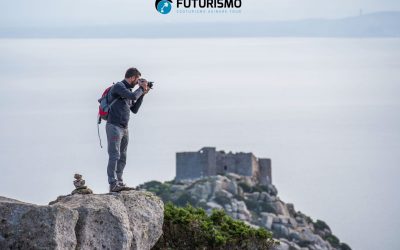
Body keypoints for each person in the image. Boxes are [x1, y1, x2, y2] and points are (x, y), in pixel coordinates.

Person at [106, 67, 149, 192]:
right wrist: (141, 89)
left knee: (123, 156)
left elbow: (134, 109)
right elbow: (132, 95)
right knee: (114, 155)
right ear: (132, 77)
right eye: (138, 80)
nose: (138, 82)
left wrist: (143, 94)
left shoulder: (130, 90)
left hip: (124, 128)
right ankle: (112, 183)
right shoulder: (119, 87)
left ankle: (119, 182)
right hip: (113, 126)